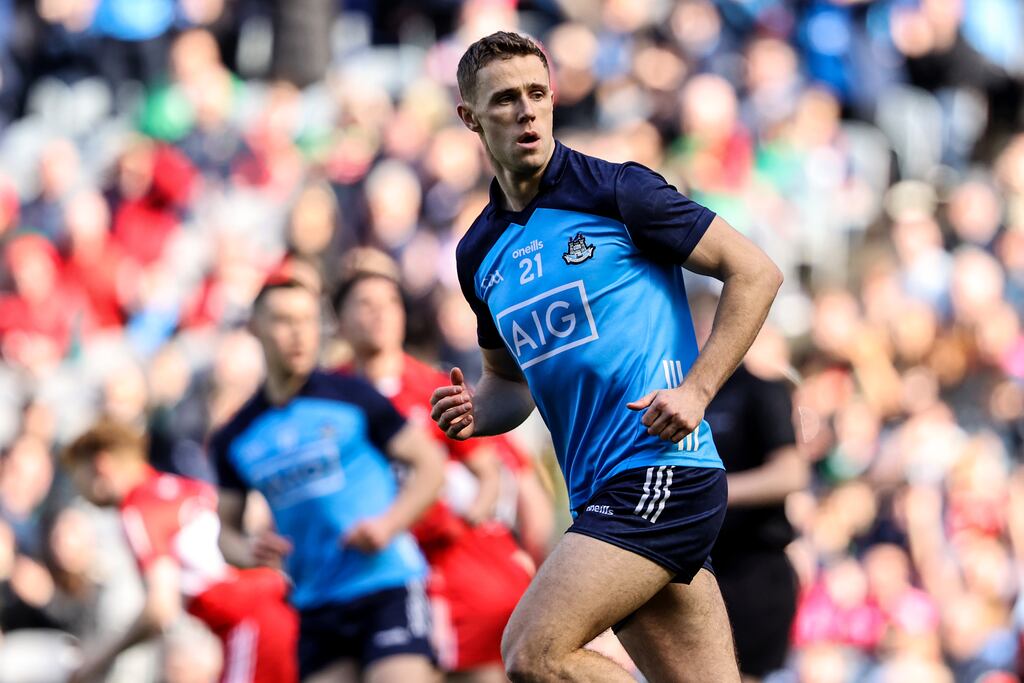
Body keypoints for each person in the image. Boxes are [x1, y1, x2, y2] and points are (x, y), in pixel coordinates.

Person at [430, 31, 783, 682]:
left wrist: (699, 388)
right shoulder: (477, 253)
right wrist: (474, 411)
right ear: (470, 118)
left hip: (661, 472)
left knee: (531, 654)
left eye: (538, 93)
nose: (527, 111)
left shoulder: (616, 192)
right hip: (599, 492)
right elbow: (509, 387)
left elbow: (755, 271)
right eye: (506, 99)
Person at [210, 270, 446, 683]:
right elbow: (225, 532)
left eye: (307, 320)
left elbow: (430, 464)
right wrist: (249, 553)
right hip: (315, 604)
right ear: (255, 328)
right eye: (284, 321)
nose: (299, 334)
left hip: (386, 584)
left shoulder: (353, 397)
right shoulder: (236, 436)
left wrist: (388, 525)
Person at [332, 255, 541, 682]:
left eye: (390, 302)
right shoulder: (328, 398)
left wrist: (467, 520)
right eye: (365, 303)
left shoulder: (432, 386)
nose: (379, 314)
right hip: (369, 572)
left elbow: (494, 474)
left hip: (455, 566)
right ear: (340, 318)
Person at [61, 418, 298, 683]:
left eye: (76, 474)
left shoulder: (139, 507)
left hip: (251, 621)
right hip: (279, 603)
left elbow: (161, 608)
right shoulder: (183, 487)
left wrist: (98, 659)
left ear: (100, 465)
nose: (78, 487)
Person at [704, 361, 807, 681]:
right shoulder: (673, 390)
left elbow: (791, 473)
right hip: (701, 567)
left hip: (754, 568)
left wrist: (710, 493)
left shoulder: (758, 391)